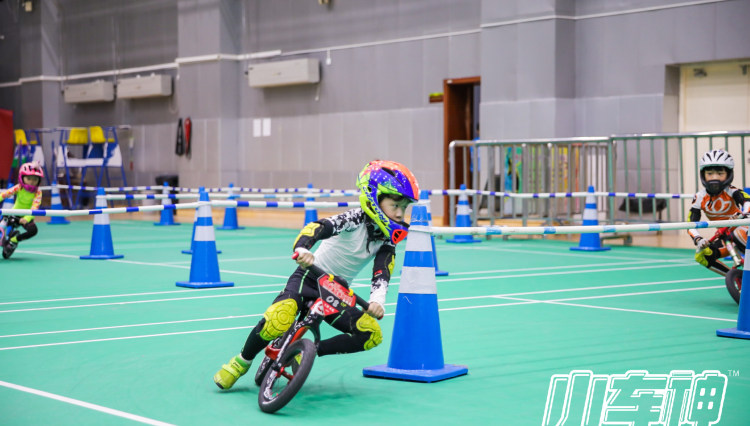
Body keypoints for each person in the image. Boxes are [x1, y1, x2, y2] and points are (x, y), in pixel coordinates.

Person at [213, 160, 420, 390]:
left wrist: (377, 301)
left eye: (404, 207)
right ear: (374, 198)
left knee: (371, 334)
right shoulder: (354, 219)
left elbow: (382, 272)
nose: (400, 213)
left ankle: (306, 350)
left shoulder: (387, 239)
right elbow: (318, 227)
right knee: (278, 318)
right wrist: (303, 249)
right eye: (395, 205)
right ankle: (241, 362)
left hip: (336, 291)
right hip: (309, 277)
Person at [687, 149, 750, 275]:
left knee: (737, 233)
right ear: (703, 175)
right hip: (725, 236)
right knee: (701, 255)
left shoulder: (732, 191)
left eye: (720, 174)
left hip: (744, 229)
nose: (714, 178)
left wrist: (745, 213)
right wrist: (698, 239)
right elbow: (690, 224)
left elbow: (747, 200)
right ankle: (737, 279)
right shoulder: (699, 197)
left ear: (728, 174)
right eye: (710, 174)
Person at [0, 162, 44, 251]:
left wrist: (26, 219)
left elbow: (35, 207)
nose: (32, 181)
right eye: (29, 178)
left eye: (35, 179)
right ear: (22, 178)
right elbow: (4, 194)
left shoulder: (38, 192)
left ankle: (14, 240)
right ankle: (2, 233)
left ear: (39, 181)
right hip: (14, 214)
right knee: (4, 220)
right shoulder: (19, 187)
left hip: (27, 216)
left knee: (33, 231)